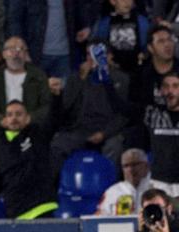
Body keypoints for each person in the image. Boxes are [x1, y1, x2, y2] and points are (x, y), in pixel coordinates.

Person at [50, 40, 131, 171]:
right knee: (58, 146)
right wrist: (80, 80)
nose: (92, 58)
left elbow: (124, 115)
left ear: (109, 56)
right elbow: (66, 109)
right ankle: (57, 188)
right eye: (88, 54)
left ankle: (110, 188)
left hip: (109, 130)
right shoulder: (76, 78)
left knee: (115, 147)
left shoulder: (121, 79)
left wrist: (104, 133)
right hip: (80, 129)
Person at [0, 100, 57, 219]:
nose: (14, 118)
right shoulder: (0, 146)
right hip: (17, 212)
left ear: (27, 118)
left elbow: (54, 119)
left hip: (42, 208)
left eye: (19, 114)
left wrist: (56, 97)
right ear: (4, 120)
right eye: (10, 115)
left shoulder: (37, 135)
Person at [0, 37, 52, 130]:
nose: (16, 53)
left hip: (31, 129)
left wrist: (30, 118)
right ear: (4, 54)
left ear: (26, 54)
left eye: (20, 49)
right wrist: (0, 120)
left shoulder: (38, 76)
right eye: (11, 49)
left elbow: (47, 105)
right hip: (1, 131)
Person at [143, 72, 179, 197]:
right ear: (161, 90)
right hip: (158, 183)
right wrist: (107, 82)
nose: (170, 91)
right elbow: (122, 108)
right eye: (166, 86)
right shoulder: (151, 113)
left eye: (175, 86)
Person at [97, 148, 152, 216]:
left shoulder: (162, 189)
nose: (131, 169)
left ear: (146, 166)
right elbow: (99, 219)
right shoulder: (112, 192)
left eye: (135, 164)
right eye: (126, 166)